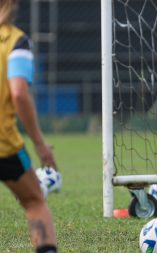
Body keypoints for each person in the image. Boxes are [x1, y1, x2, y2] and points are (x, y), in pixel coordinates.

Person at [0, 1, 58, 252]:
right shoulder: (16, 42)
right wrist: (40, 145)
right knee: (34, 200)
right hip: (4, 144)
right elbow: (19, 93)